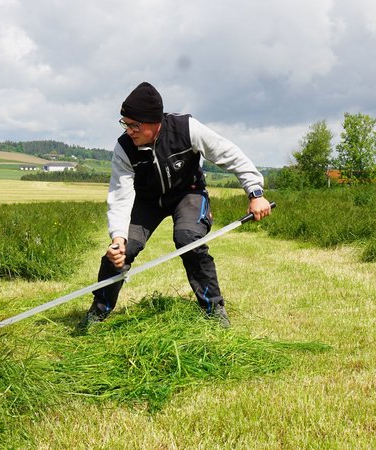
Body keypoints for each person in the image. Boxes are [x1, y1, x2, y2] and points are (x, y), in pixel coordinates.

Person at [80, 82, 271, 329]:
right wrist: (118, 238)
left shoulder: (187, 129)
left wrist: (255, 193)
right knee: (121, 251)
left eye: (134, 125)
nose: (129, 131)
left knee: (187, 238)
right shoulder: (124, 148)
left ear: (154, 121)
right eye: (125, 124)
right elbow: (120, 195)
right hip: (146, 201)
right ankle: (98, 311)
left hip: (188, 194)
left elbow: (229, 154)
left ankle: (213, 310)